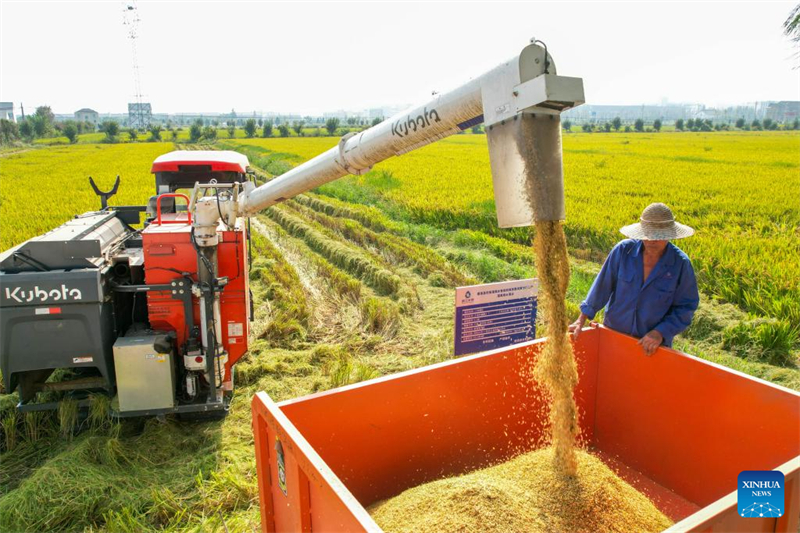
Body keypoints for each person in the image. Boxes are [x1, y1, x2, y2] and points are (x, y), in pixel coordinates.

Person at [569, 203, 700, 355]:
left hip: (650, 346)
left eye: (658, 236)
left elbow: (686, 306)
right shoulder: (623, 251)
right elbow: (602, 286)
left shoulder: (680, 264)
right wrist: (581, 319)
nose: (652, 240)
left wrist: (660, 332)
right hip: (614, 336)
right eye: (648, 235)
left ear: (670, 235)